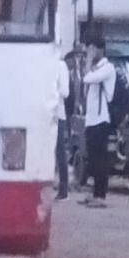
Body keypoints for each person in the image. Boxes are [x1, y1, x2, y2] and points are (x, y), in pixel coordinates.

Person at [81, 36, 117, 208]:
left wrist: (88, 60)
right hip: (91, 120)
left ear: (100, 49)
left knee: (100, 160)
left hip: (101, 120)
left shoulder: (108, 68)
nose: (89, 52)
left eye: (92, 48)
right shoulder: (97, 68)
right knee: (93, 159)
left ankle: (101, 196)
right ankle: (95, 193)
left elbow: (86, 78)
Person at [53, 51, 72, 201]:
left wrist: (51, 92)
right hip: (42, 114)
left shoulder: (61, 66)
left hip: (57, 115)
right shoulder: (42, 65)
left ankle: (63, 188)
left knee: (60, 151)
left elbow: (65, 92)